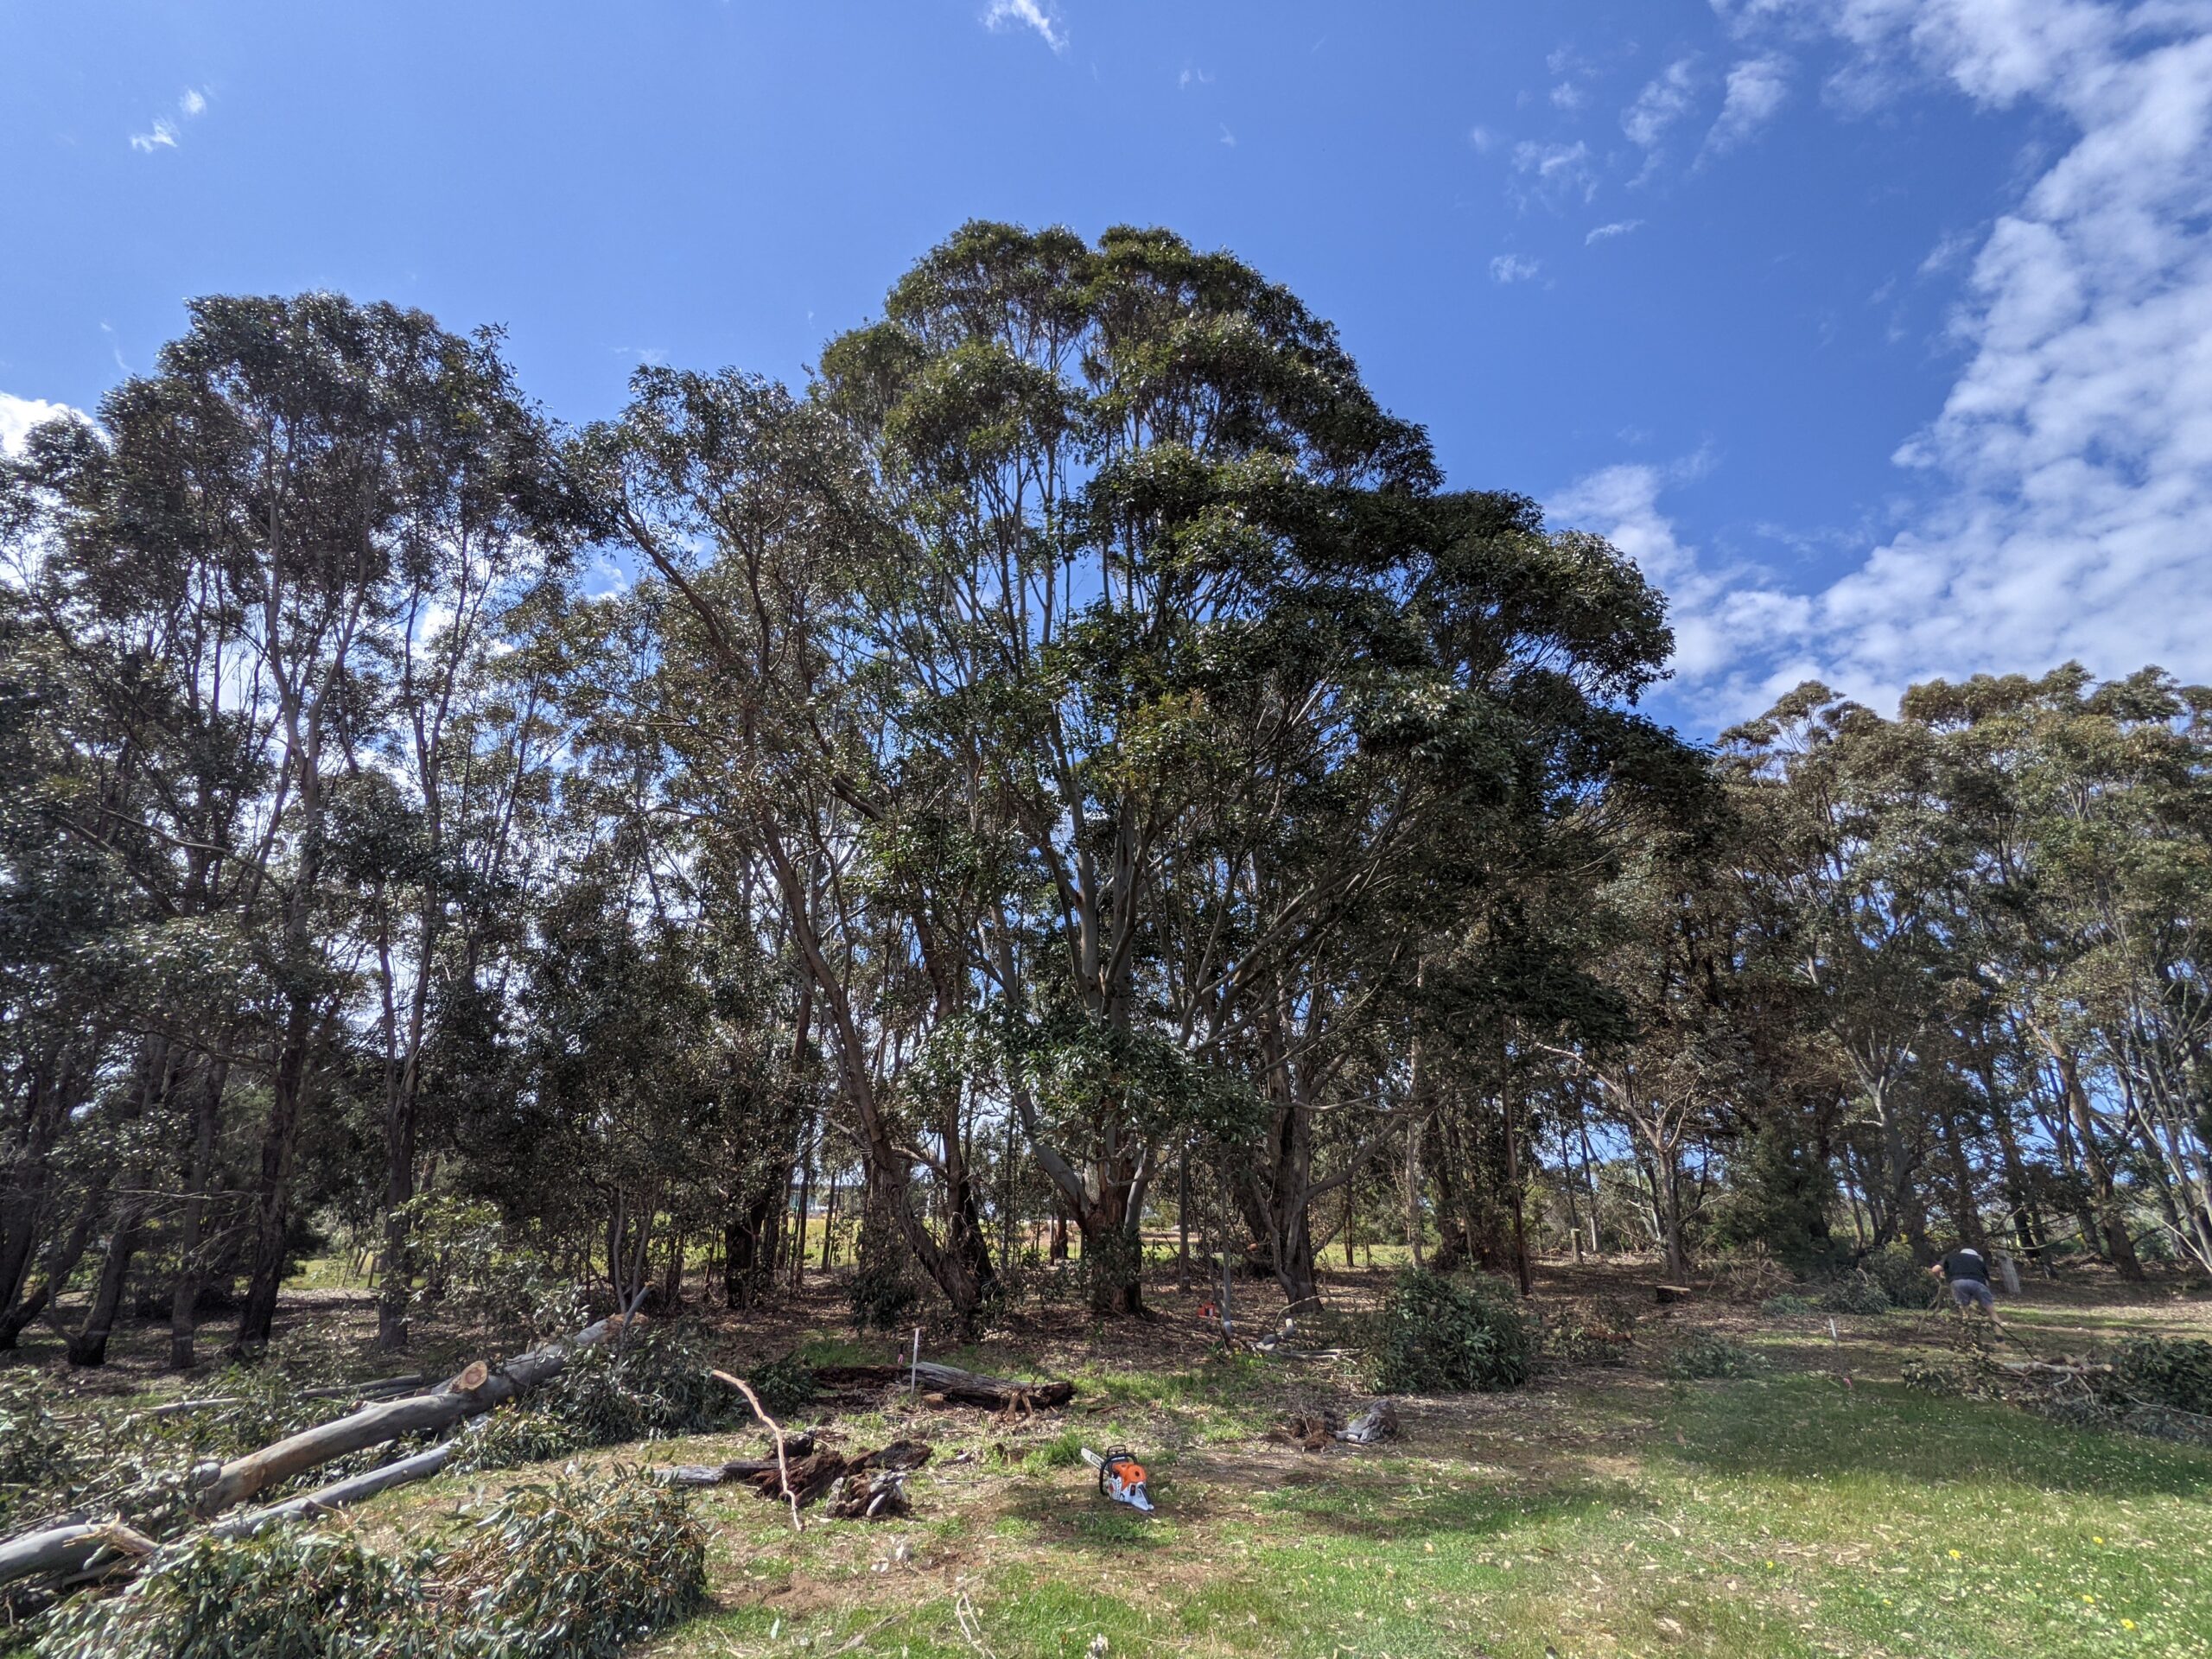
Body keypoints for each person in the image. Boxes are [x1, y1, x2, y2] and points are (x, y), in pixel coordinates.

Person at [1928, 1243, 2004, 1328]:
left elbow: (1935, 1270)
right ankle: (1999, 1338)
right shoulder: (1978, 1261)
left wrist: (1941, 1279)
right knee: (1992, 1313)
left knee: (1964, 1309)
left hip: (1958, 1282)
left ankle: (1966, 1328)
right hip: (1978, 1283)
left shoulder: (1951, 1257)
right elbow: (1986, 1282)